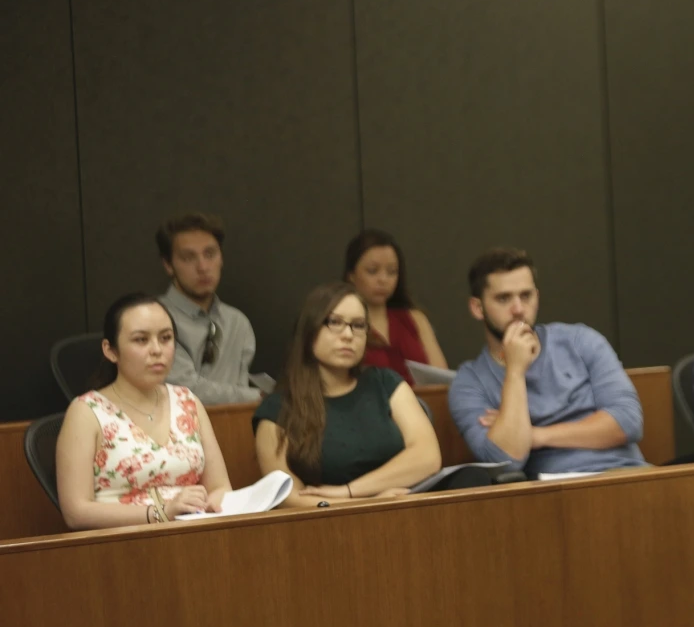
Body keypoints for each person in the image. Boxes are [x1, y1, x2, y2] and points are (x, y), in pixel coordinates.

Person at [448, 248, 647, 478]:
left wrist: (534, 436)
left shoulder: (580, 341)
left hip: (628, 474)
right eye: (503, 298)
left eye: (526, 296)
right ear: (477, 307)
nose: (518, 310)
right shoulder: (470, 381)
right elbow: (506, 460)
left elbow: (628, 421)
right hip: (553, 492)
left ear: (537, 297)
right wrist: (515, 371)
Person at [253, 282, 442, 507]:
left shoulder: (385, 382)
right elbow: (289, 499)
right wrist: (367, 504)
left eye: (358, 325)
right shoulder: (277, 410)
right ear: (310, 329)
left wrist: (349, 491)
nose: (348, 335)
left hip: (404, 511)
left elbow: (428, 457)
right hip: (328, 529)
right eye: (335, 322)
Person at [56, 293, 233, 530]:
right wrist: (161, 513)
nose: (157, 350)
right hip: (119, 546)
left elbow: (221, 487)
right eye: (141, 340)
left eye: (166, 338)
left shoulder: (187, 401)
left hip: (193, 535)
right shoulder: (86, 412)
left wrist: (213, 505)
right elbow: (76, 512)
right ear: (110, 351)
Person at [157, 212, 262, 404]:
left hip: (234, 425)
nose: (203, 267)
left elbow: (239, 387)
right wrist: (261, 397)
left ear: (221, 258)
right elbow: (184, 391)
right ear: (168, 265)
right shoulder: (155, 319)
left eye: (210, 254)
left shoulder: (237, 322)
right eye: (189, 258)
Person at [344, 229, 448, 384]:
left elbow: (442, 379)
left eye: (392, 272)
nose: (383, 279)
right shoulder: (343, 324)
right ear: (351, 275)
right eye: (372, 271)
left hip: (422, 405)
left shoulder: (415, 318)